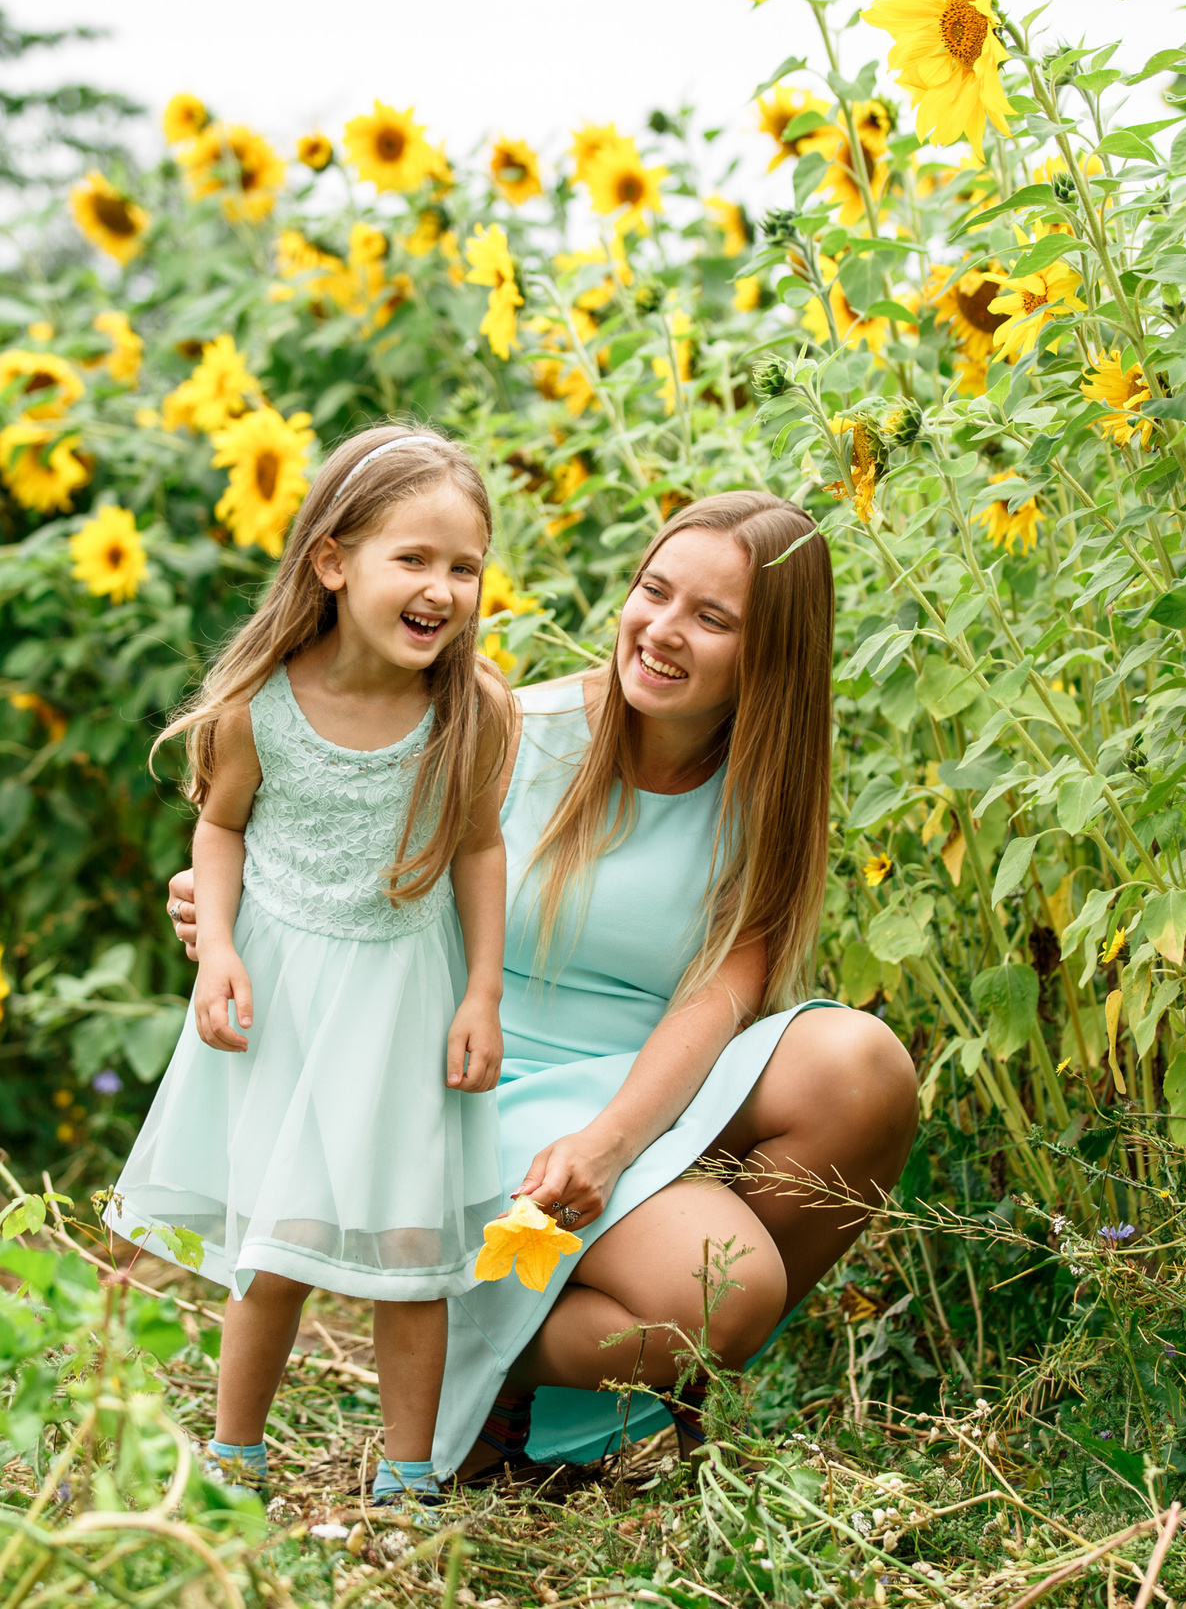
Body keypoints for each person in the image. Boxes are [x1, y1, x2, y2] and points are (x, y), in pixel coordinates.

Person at [167, 491, 917, 1484]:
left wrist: (609, 1143)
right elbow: (327, 850)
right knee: (722, 1294)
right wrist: (233, 910)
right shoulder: (509, 732)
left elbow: (720, 999)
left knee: (860, 1067)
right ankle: (465, 1357)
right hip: (469, 1090)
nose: (661, 630)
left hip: (634, 1104)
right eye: (653, 592)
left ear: (768, 654)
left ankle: (519, 1384)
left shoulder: (764, 792)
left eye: (712, 618)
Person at [105, 424, 518, 1511]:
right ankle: (234, 1454)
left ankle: (406, 1471)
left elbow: (478, 848)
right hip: (286, 996)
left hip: (402, 1002)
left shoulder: (471, 716)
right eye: (413, 560)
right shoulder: (258, 710)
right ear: (333, 562)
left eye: (463, 566)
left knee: (412, 1247)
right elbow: (220, 830)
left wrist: (482, 990)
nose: (442, 588)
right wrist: (221, 952)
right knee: (275, 1243)